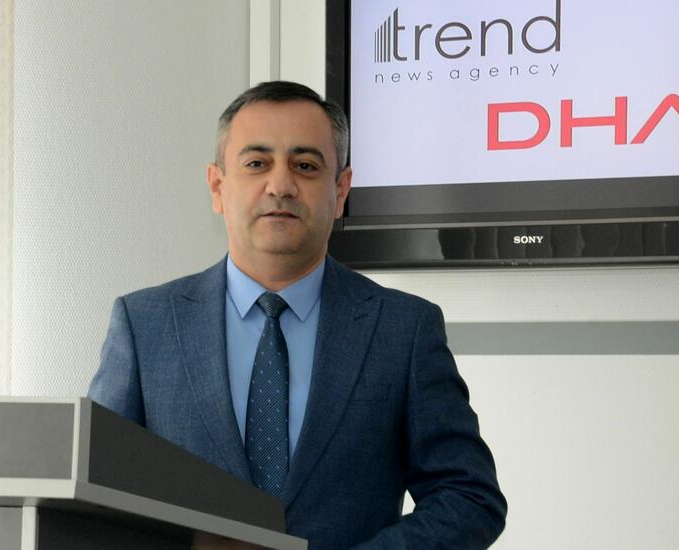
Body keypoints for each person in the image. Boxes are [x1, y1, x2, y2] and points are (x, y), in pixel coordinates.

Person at [89, 81, 506, 549]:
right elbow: (94, 498)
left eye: (305, 166)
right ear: (217, 186)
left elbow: (469, 497)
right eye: (257, 163)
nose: (281, 186)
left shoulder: (403, 330)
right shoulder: (144, 326)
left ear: (340, 190)